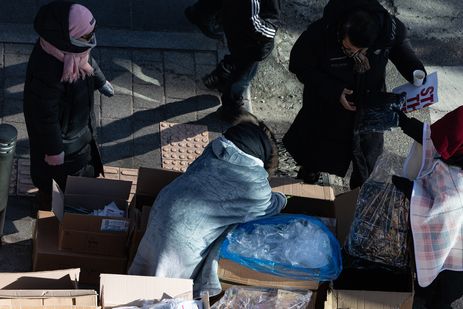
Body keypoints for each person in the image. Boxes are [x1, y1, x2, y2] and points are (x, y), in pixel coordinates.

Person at [128, 116, 287, 297]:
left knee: (146, 274)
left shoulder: (215, 148)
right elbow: (270, 207)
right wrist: (283, 198)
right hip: (182, 238)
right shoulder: (256, 187)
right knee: (164, 296)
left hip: (163, 207)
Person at [283, 0, 426, 188]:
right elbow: (299, 65)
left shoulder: (388, 31)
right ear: (342, 30)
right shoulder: (321, 33)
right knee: (317, 150)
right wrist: (333, 90)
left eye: (362, 50)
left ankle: (357, 196)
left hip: (370, 106)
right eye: (349, 49)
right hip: (327, 107)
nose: (356, 54)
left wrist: (416, 72)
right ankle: (309, 176)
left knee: (366, 161)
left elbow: (401, 50)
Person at [392, 105, 463, 308]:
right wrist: (403, 121)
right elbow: (438, 139)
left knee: (432, 303)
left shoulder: (458, 194)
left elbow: (428, 215)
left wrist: (402, 186)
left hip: (452, 269)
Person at [24, 1, 114, 210]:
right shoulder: (48, 72)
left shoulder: (73, 54)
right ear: (66, 36)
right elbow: (44, 116)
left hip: (78, 129)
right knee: (54, 180)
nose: (90, 40)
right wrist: (55, 150)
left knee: (79, 168)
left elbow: (89, 62)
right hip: (61, 142)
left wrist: (100, 80)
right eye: (85, 36)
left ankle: (72, 200)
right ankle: (47, 207)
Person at [184, 0, 279, 121]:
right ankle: (231, 107)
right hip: (252, 39)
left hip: (237, 27)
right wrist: (271, 32)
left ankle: (222, 75)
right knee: (244, 73)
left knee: (239, 57)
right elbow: (253, 23)